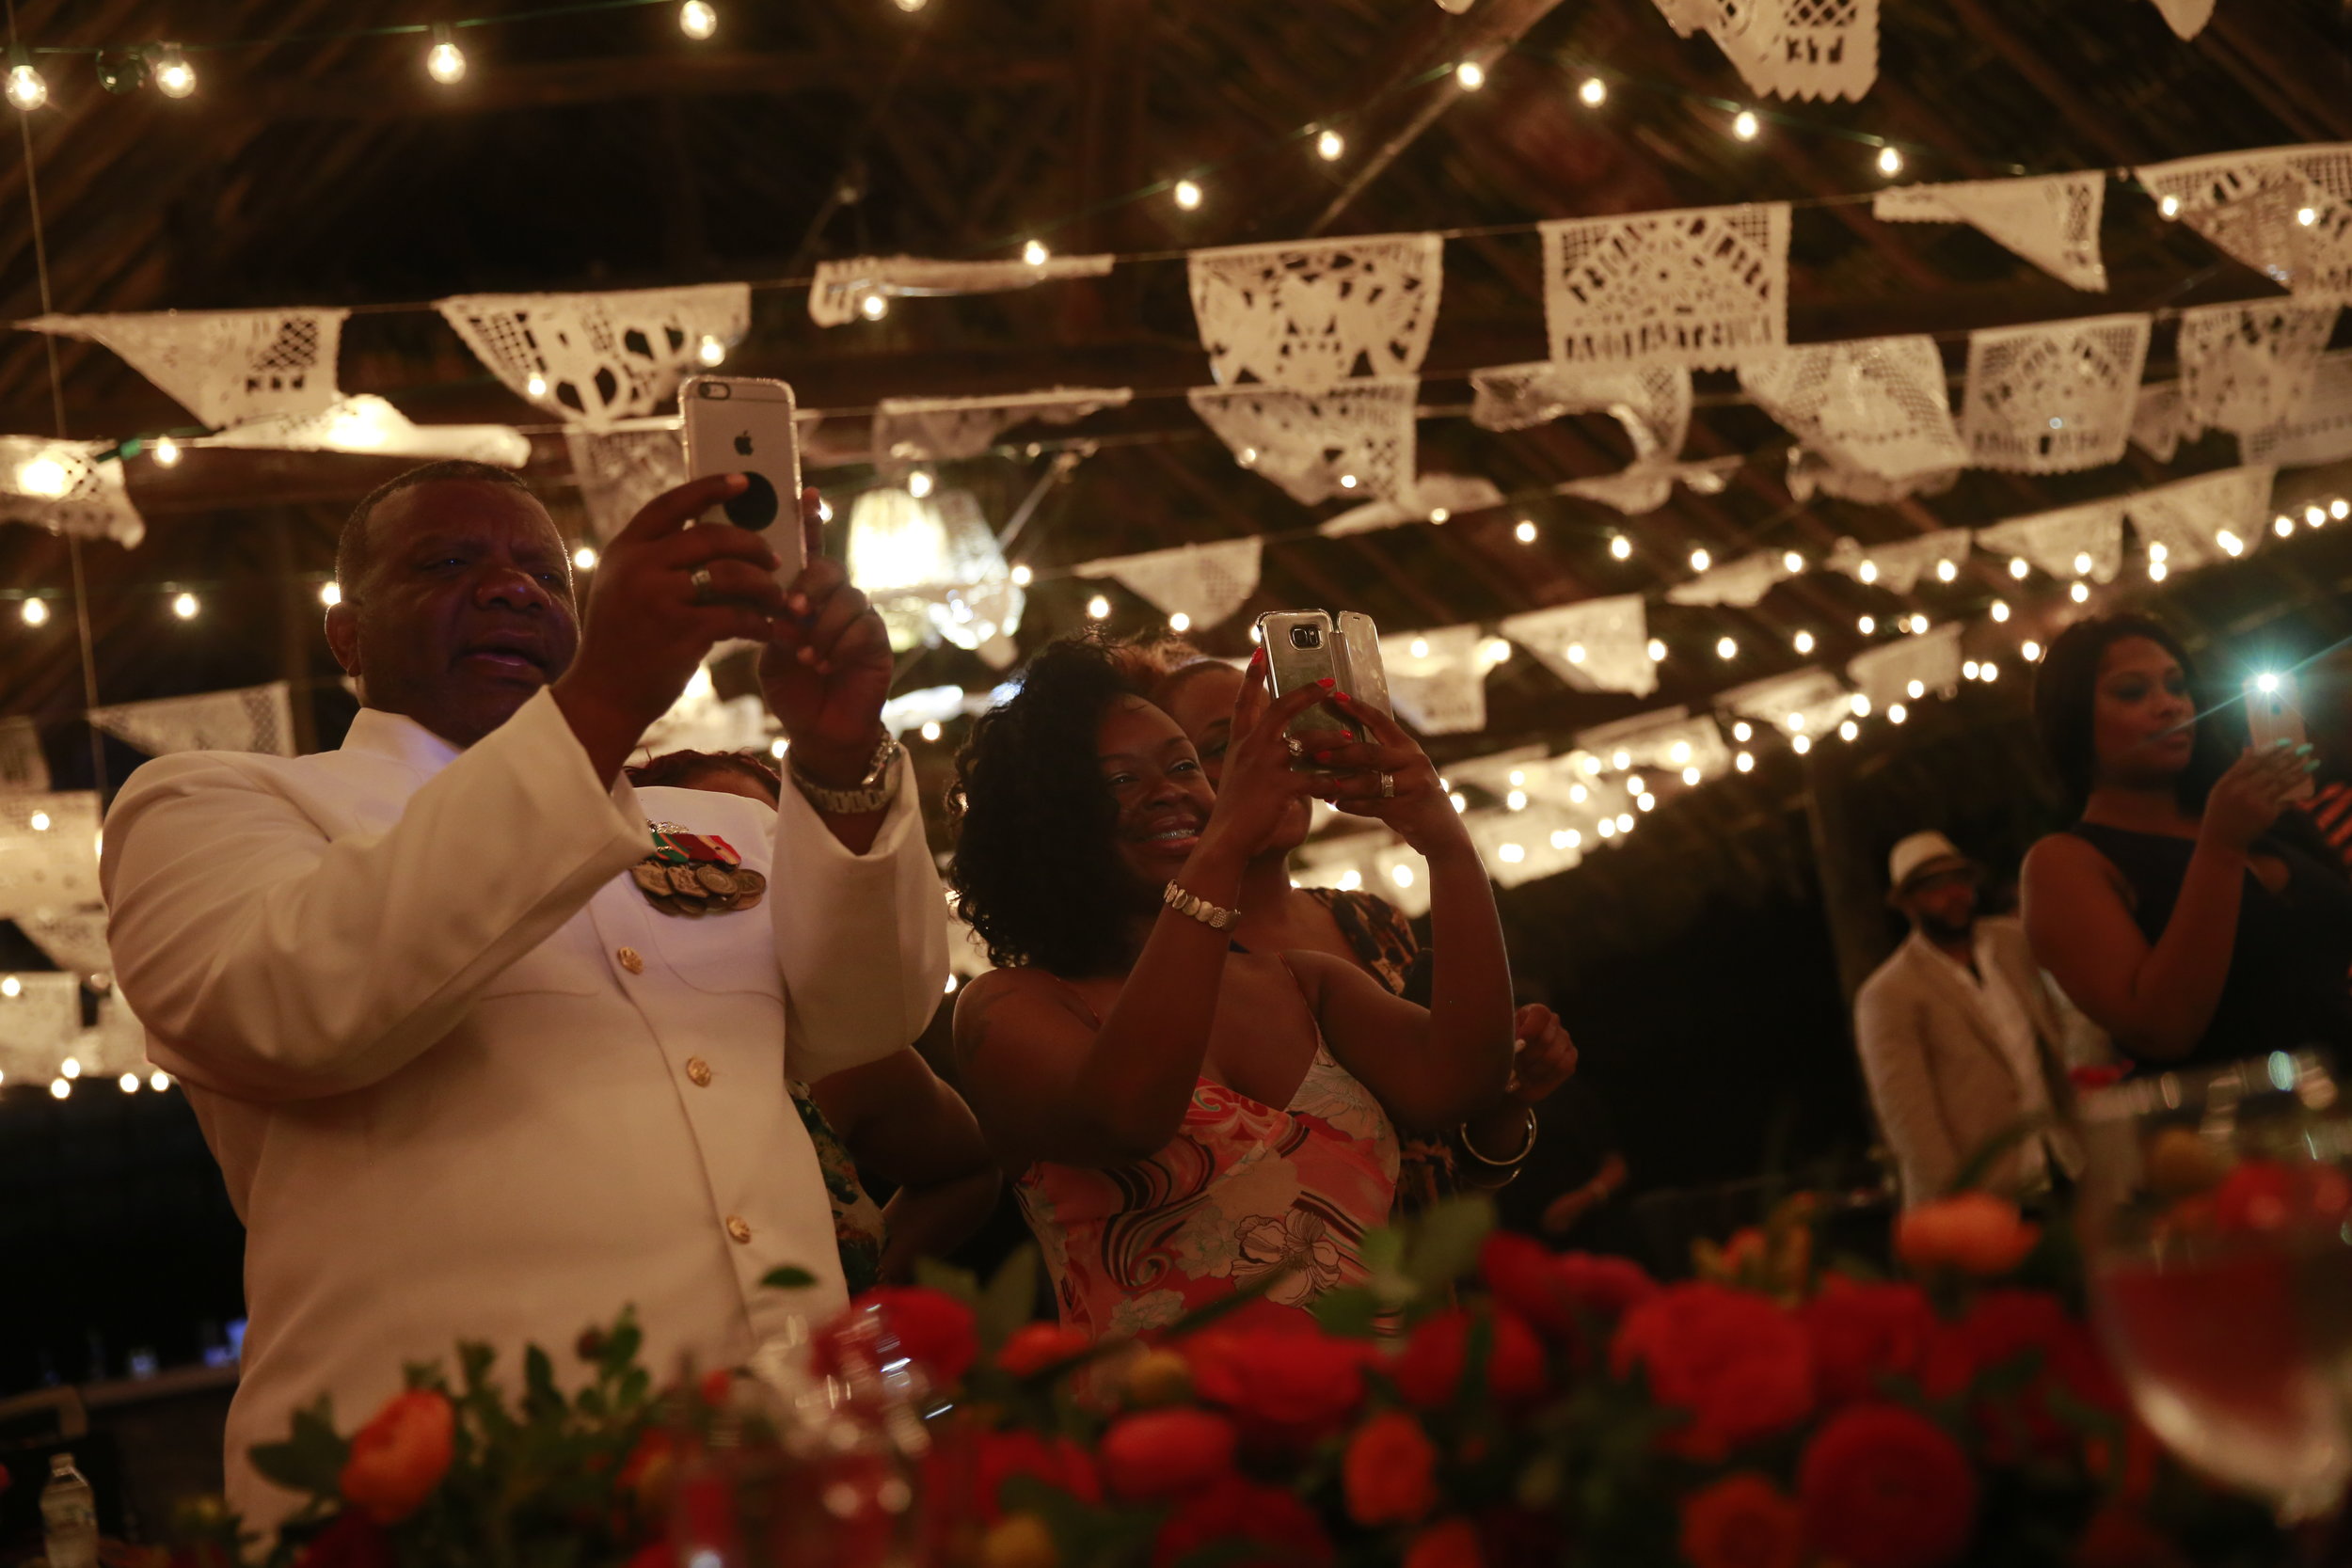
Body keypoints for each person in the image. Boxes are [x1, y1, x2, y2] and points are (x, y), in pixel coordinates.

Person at [101, 461, 947, 1535]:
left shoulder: (724, 824)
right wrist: (600, 703)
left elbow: (872, 1017)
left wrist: (836, 757)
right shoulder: (217, 802)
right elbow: (291, 1008)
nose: (513, 590)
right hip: (460, 1503)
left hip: (786, 1467)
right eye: (450, 562)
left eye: (546, 574)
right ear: (345, 634)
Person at [946, 636, 1518, 1338]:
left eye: (1184, 765)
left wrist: (1444, 838)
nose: (1170, 791)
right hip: (1176, 1425)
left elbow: (1460, 1080)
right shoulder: (1009, 1006)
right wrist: (1222, 848)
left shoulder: (1300, 981)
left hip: (1374, 1405)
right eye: (1120, 780)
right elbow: (1128, 1116)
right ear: (1044, 823)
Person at [1104, 638, 1579, 1206]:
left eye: (1284, 734)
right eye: (1225, 747)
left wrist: (1506, 1101)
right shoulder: (1164, 960)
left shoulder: (1367, 919)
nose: (1273, 760)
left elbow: (1453, 1157)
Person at [628, 746, 999, 1289]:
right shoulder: (584, 1039)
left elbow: (965, 1171)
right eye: (690, 844)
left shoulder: (839, 1056)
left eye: (760, 848)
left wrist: (863, 1299)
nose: (722, 869)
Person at [2021, 613, 2352, 1071]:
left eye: (2178, 686)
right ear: (2072, 717)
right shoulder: (2065, 863)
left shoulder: (2256, 817)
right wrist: (2221, 847)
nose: (2170, 705)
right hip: (2238, 1126)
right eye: (2133, 692)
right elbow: (2163, 1029)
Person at [1853, 831, 2081, 1207]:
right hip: (1984, 1193)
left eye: (1959, 880)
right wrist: (1960, 1203)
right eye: (1934, 886)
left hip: (2061, 1164)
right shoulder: (1889, 994)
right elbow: (1911, 1124)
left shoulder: (2011, 943)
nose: (1953, 894)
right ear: (1908, 902)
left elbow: (2056, 1034)